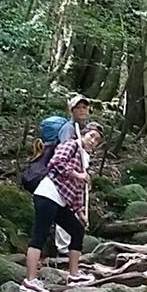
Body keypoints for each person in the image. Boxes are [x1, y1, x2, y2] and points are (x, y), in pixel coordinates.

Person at [19, 126, 103, 292]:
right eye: (91, 136)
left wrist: (80, 212)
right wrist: (77, 175)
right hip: (48, 194)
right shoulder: (71, 145)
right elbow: (55, 163)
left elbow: (78, 189)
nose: (93, 141)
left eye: (97, 140)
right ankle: (30, 281)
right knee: (40, 235)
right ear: (84, 133)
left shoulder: (84, 158)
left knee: (77, 230)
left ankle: (74, 275)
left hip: (61, 200)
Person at [54, 94, 91, 255]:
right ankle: (63, 248)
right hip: (66, 176)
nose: (82, 111)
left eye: (84, 107)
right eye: (78, 108)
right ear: (71, 110)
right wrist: (74, 174)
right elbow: (63, 154)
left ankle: (71, 245)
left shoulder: (84, 128)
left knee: (74, 207)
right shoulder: (68, 129)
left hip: (77, 175)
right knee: (65, 207)